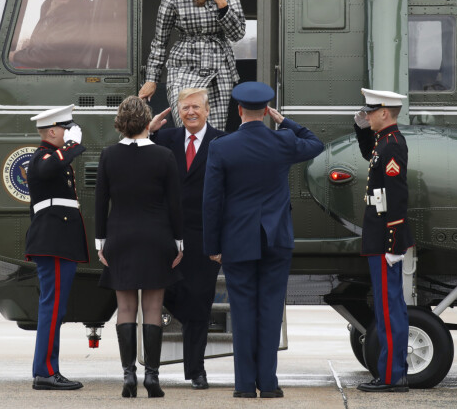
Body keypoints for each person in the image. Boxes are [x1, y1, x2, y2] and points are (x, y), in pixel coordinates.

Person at [202, 82, 324, 398]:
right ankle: (268, 384)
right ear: (266, 112)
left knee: (242, 312)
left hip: (238, 239)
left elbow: (211, 200)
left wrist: (212, 245)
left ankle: (244, 386)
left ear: (239, 110)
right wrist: (285, 122)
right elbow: (315, 143)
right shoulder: (283, 141)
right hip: (276, 238)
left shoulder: (221, 146)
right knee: (270, 310)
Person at [95, 96, 184, 398]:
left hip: (119, 237)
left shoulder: (108, 156)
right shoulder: (164, 156)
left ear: (119, 123)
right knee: (153, 309)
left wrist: (100, 241)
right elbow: (175, 204)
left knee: (125, 309)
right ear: (148, 123)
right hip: (156, 238)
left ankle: (128, 375)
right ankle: (152, 377)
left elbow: (99, 202)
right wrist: (179, 242)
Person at [148, 87, 224, 390]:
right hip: (167, 234)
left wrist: (222, 241)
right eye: (184, 108)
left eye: (195, 107)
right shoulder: (165, 139)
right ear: (178, 112)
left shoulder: (223, 140)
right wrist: (148, 132)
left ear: (207, 110)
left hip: (205, 237)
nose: (190, 112)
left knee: (201, 304)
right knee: (164, 293)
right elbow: (133, 155)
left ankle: (196, 371)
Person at [138, 0, 245, 131]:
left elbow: (238, 34)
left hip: (218, 67)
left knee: (213, 130)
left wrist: (222, 4)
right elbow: (160, 41)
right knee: (186, 124)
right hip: (183, 64)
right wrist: (152, 79)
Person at [24, 104, 89, 390]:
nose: (69, 133)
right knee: (52, 308)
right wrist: (74, 144)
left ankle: (48, 369)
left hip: (57, 242)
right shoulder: (42, 158)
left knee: (54, 308)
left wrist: (71, 144)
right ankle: (45, 372)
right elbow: (51, 166)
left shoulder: (52, 158)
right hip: (54, 242)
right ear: (53, 131)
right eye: (65, 128)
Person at [354, 88, 413, 393]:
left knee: (389, 310)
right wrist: (360, 126)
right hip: (379, 240)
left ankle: (392, 376)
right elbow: (369, 154)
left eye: (371, 112)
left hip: (385, 242)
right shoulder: (384, 142)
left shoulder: (392, 145)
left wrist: (393, 244)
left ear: (385, 113)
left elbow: (397, 196)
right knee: (388, 308)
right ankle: (391, 372)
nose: (368, 115)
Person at [11, 0, 92, 69]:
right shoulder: (50, 6)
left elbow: (50, 54)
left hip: (57, 69)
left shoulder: (76, 14)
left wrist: (16, 56)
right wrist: (30, 46)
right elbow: (43, 41)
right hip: (45, 63)